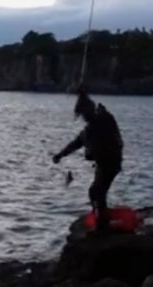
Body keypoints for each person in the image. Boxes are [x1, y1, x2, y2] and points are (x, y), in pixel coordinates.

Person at [52, 90, 123, 228]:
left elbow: (106, 123)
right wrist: (60, 155)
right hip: (102, 164)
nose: (84, 117)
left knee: (97, 191)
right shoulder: (88, 131)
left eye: (85, 114)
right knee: (95, 192)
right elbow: (75, 143)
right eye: (83, 115)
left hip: (111, 162)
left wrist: (85, 97)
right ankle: (100, 218)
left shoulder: (104, 119)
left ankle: (102, 224)